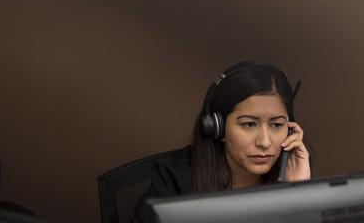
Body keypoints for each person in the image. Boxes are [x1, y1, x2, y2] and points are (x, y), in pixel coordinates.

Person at [131, 62, 310, 223]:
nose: (264, 142)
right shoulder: (174, 180)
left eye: (277, 125)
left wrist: (296, 193)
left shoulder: (289, 172)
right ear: (218, 127)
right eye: (249, 124)